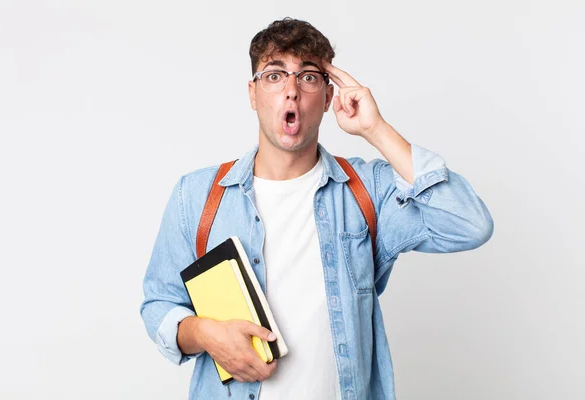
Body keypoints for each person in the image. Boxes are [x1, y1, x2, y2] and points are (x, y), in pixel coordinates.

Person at [140, 17, 494, 400]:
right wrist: (205, 334)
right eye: (274, 76)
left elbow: (469, 224)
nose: (291, 91)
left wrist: (376, 130)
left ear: (328, 97)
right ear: (253, 93)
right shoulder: (197, 196)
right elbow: (159, 305)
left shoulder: (366, 191)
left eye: (308, 76)